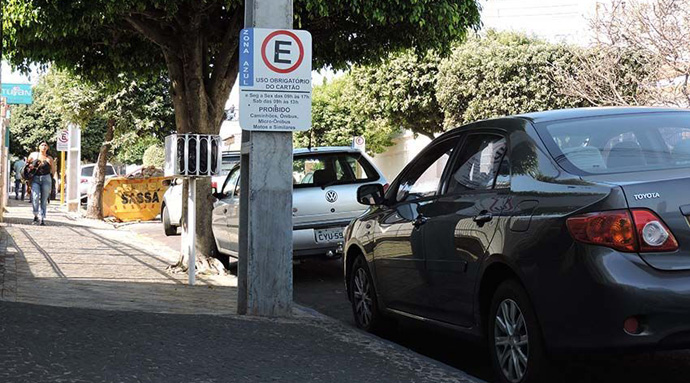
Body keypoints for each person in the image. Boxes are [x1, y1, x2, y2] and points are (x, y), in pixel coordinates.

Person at [27, 142, 55, 225]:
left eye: (45, 145)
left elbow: (53, 170)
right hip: (35, 179)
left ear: (48, 148)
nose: (44, 146)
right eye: (42, 145)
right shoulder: (33, 156)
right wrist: (30, 166)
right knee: (35, 197)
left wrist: (52, 180)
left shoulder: (49, 158)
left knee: (44, 199)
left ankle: (42, 218)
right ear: (39, 147)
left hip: (46, 179)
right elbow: (27, 166)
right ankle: (36, 215)